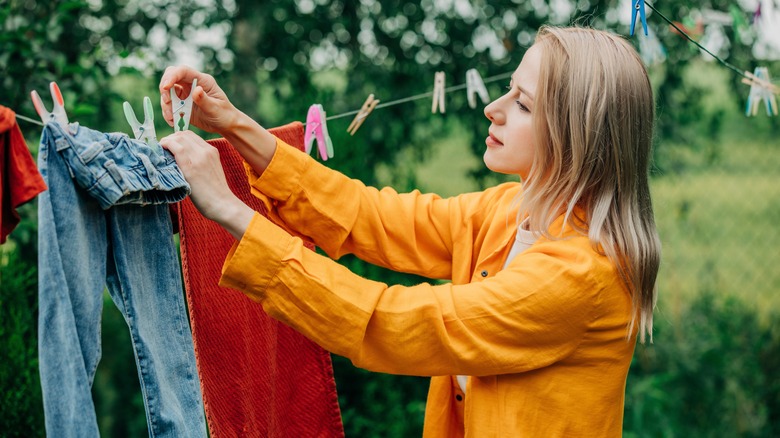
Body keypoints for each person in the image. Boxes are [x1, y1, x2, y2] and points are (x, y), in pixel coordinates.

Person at [159, 25, 661, 437]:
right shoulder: (509, 212)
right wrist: (235, 126)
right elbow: (368, 216)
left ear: (579, 133)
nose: (494, 107)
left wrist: (229, 209)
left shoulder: (580, 277)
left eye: (524, 104)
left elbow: (396, 324)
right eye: (508, 89)